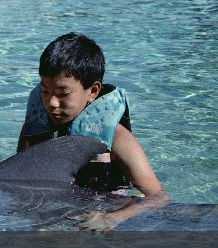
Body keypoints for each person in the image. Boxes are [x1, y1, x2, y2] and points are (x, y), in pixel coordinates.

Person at [17, 33, 168, 230]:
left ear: (93, 91)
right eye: (45, 91)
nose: (52, 103)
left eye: (63, 94)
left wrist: (112, 218)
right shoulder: (35, 130)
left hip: (97, 221)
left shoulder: (118, 138)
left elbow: (158, 197)